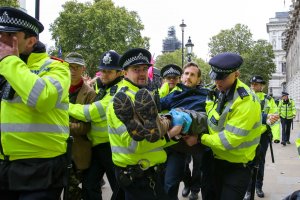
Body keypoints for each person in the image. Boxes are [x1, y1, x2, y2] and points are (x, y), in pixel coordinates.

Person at [0, 7, 70, 200]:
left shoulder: (56, 68)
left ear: (31, 41)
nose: (1, 40)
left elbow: (43, 98)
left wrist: (8, 61)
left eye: (10, 35)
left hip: (40, 167)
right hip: (5, 164)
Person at [106, 48, 191, 200]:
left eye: (145, 69)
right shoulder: (121, 101)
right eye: (135, 69)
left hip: (147, 171)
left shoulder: (143, 95)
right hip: (137, 174)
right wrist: (171, 134)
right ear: (125, 73)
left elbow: (153, 131)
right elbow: (133, 144)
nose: (142, 73)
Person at [199, 52, 264, 199]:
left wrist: (200, 138)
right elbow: (215, 120)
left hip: (236, 167)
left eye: (222, 78)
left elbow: (229, 140)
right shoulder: (221, 91)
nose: (217, 82)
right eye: (215, 78)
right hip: (215, 161)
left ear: (236, 74)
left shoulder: (245, 100)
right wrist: (209, 103)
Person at [68, 50, 124, 200]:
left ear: (119, 73)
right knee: (89, 185)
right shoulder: (103, 87)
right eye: (102, 71)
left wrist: (64, 106)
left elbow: (91, 112)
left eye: (109, 72)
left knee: (118, 189)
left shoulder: (120, 90)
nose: (104, 75)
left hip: (111, 147)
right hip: (98, 146)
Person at [160, 62, 208, 200]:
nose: (188, 77)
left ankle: (194, 189)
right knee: (169, 184)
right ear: (181, 77)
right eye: (186, 74)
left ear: (199, 79)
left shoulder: (206, 96)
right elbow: (155, 104)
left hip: (196, 143)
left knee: (198, 169)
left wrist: (198, 136)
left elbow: (211, 121)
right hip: (175, 146)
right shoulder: (174, 94)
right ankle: (187, 185)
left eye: (193, 74)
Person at [65, 52, 96, 200]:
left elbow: (86, 128)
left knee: (73, 193)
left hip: (77, 152)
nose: (73, 70)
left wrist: (63, 124)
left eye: (77, 67)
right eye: (70, 66)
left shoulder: (90, 94)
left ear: (83, 69)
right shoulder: (57, 88)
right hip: (55, 150)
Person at [243, 75, 280, 199]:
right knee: (248, 161)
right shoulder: (246, 97)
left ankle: (258, 186)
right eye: (252, 84)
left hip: (263, 136)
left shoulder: (268, 99)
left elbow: (275, 117)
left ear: (262, 86)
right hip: (248, 135)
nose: (254, 86)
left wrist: (276, 136)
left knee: (260, 162)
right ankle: (248, 189)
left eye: (257, 84)